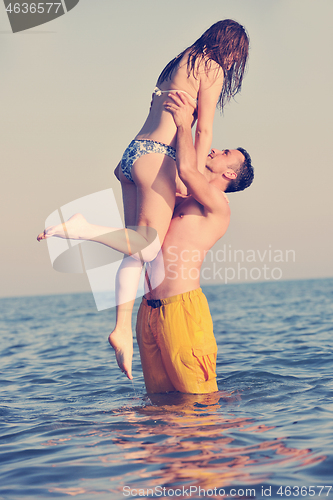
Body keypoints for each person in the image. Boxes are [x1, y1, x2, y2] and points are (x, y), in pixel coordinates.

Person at [38, 20, 250, 380]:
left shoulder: (180, 61)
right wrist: (191, 172)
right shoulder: (210, 67)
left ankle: (121, 329)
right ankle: (81, 227)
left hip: (132, 153)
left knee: (136, 248)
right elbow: (205, 129)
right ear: (230, 48)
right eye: (236, 56)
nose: (233, 64)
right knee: (148, 246)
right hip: (156, 155)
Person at [136, 92, 254, 393]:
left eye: (225, 152)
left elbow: (188, 169)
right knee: (160, 407)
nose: (215, 149)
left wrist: (183, 124)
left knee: (199, 406)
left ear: (229, 173)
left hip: (182, 311)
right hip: (148, 311)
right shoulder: (182, 197)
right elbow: (164, 167)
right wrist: (157, 120)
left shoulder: (218, 204)